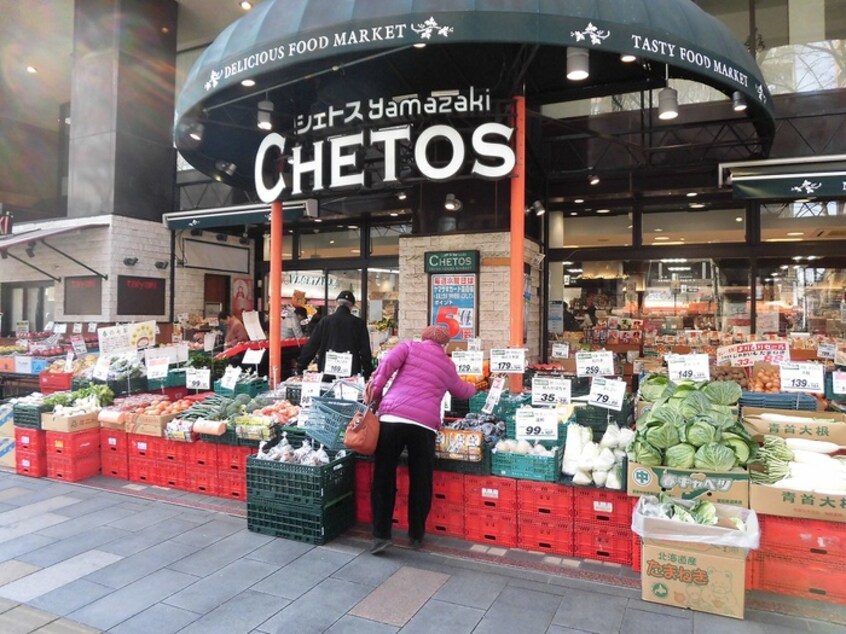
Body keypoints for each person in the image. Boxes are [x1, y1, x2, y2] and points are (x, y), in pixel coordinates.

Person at [367, 325, 477, 554]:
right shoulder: (447, 364)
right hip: (424, 425)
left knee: (384, 476)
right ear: (444, 345)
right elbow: (461, 391)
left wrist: (375, 393)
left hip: (392, 418)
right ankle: (416, 535)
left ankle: (381, 535)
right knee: (421, 480)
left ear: (423, 337)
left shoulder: (408, 346)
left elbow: (385, 366)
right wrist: (475, 388)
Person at [296, 290, 373, 379]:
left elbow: (312, 345)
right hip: (351, 374)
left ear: (336, 303)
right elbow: (365, 350)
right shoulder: (358, 323)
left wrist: (301, 367)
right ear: (351, 306)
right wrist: (368, 372)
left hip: (327, 371)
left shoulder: (325, 321)